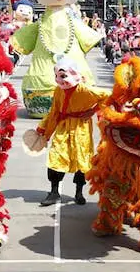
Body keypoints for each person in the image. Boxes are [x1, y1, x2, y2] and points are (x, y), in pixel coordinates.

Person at [35, 57, 110, 206]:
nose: (59, 80)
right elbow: (54, 111)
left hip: (81, 128)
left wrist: (92, 110)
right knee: (56, 156)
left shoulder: (85, 89)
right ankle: (54, 192)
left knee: (82, 159)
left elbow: (108, 95)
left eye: (63, 76)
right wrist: (44, 128)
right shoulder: (58, 90)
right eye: (57, 76)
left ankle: (79, 193)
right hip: (63, 127)